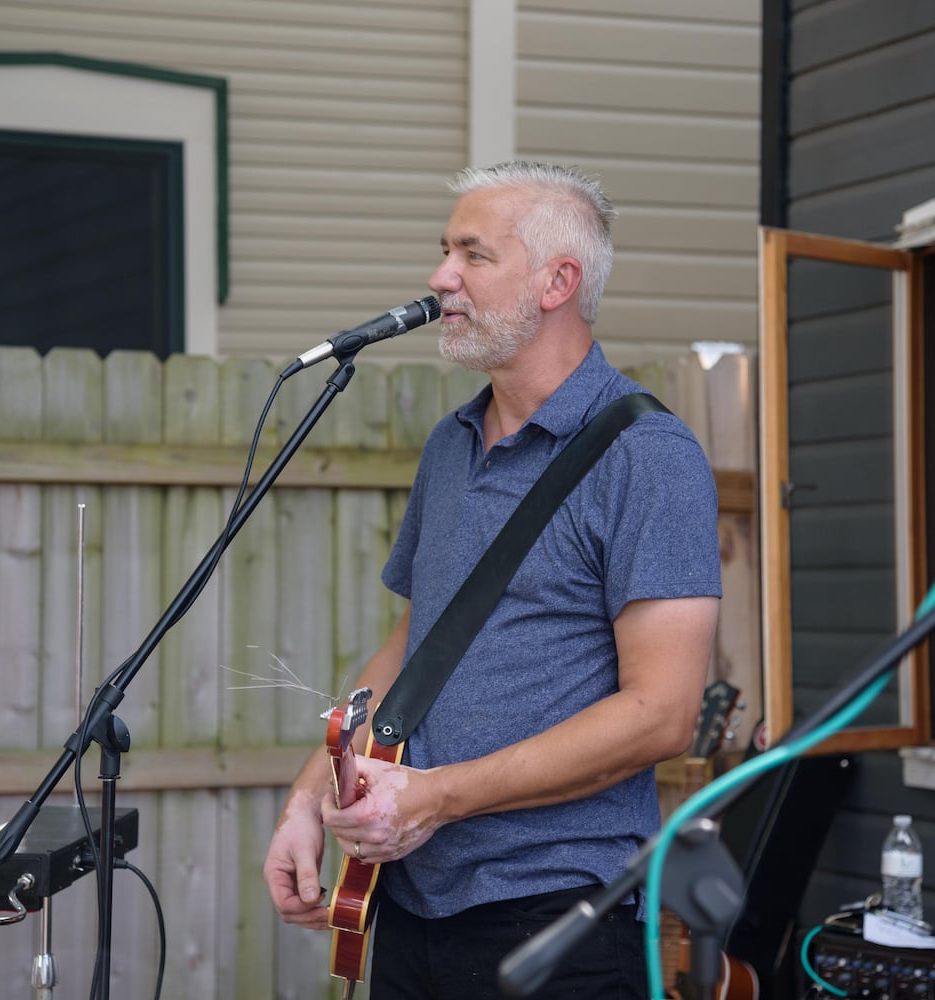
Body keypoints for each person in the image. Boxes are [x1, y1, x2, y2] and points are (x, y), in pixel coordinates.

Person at [262, 160, 722, 998]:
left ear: (558, 281)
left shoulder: (649, 457)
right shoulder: (450, 444)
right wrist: (304, 798)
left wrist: (439, 797)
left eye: (472, 254)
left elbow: (663, 715)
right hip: (408, 906)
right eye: (444, 251)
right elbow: (415, 643)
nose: (440, 278)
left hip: (556, 917)